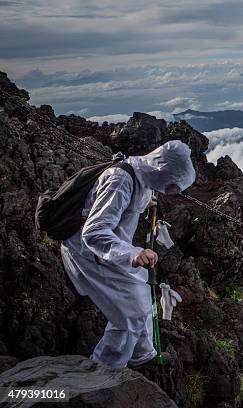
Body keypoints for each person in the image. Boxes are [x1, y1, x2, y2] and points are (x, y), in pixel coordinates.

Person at [60, 140, 196, 369]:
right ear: (161, 169)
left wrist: (144, 201)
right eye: (173, 186)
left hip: (112, 252)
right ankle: (105, 369)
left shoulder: (141, 173)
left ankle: (142, 355)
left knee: (141, 293)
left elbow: (128, 200)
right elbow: (94, 232)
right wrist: (132, 254)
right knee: (130, 314)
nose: (173, 192)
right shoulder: (120, 181)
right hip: (89, 254)